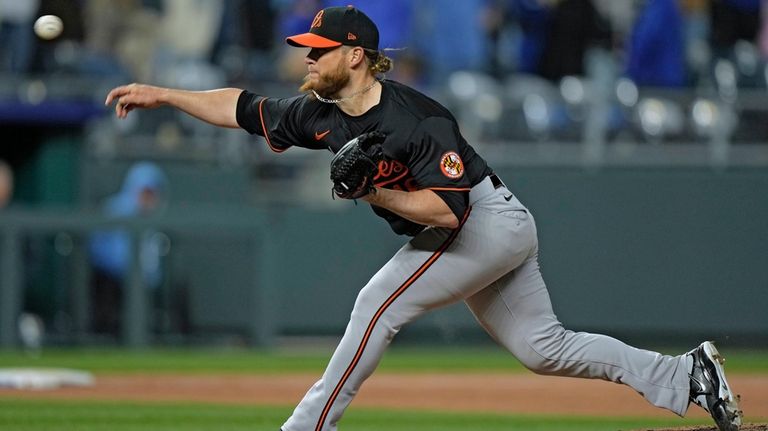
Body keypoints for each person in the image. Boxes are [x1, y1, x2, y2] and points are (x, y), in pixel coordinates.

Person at [104, 6, 743, 431]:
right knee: (544, 349)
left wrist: (371, 195)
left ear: (354, 55)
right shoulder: (320, 112)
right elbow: (239, 107)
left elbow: (448, 211)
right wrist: (163, 94)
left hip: (484, 220)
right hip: (482, 227)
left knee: (377, 303)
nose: (306, 58)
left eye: (317, 50)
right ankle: (689, 375)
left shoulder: (415, 119)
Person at [88, 161, 168, 335]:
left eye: (152, 193)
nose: (149, 199)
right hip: (111, 283)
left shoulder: (154, 221)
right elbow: (101, 251)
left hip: (143, 286)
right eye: (145, 193)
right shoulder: (114, 210)